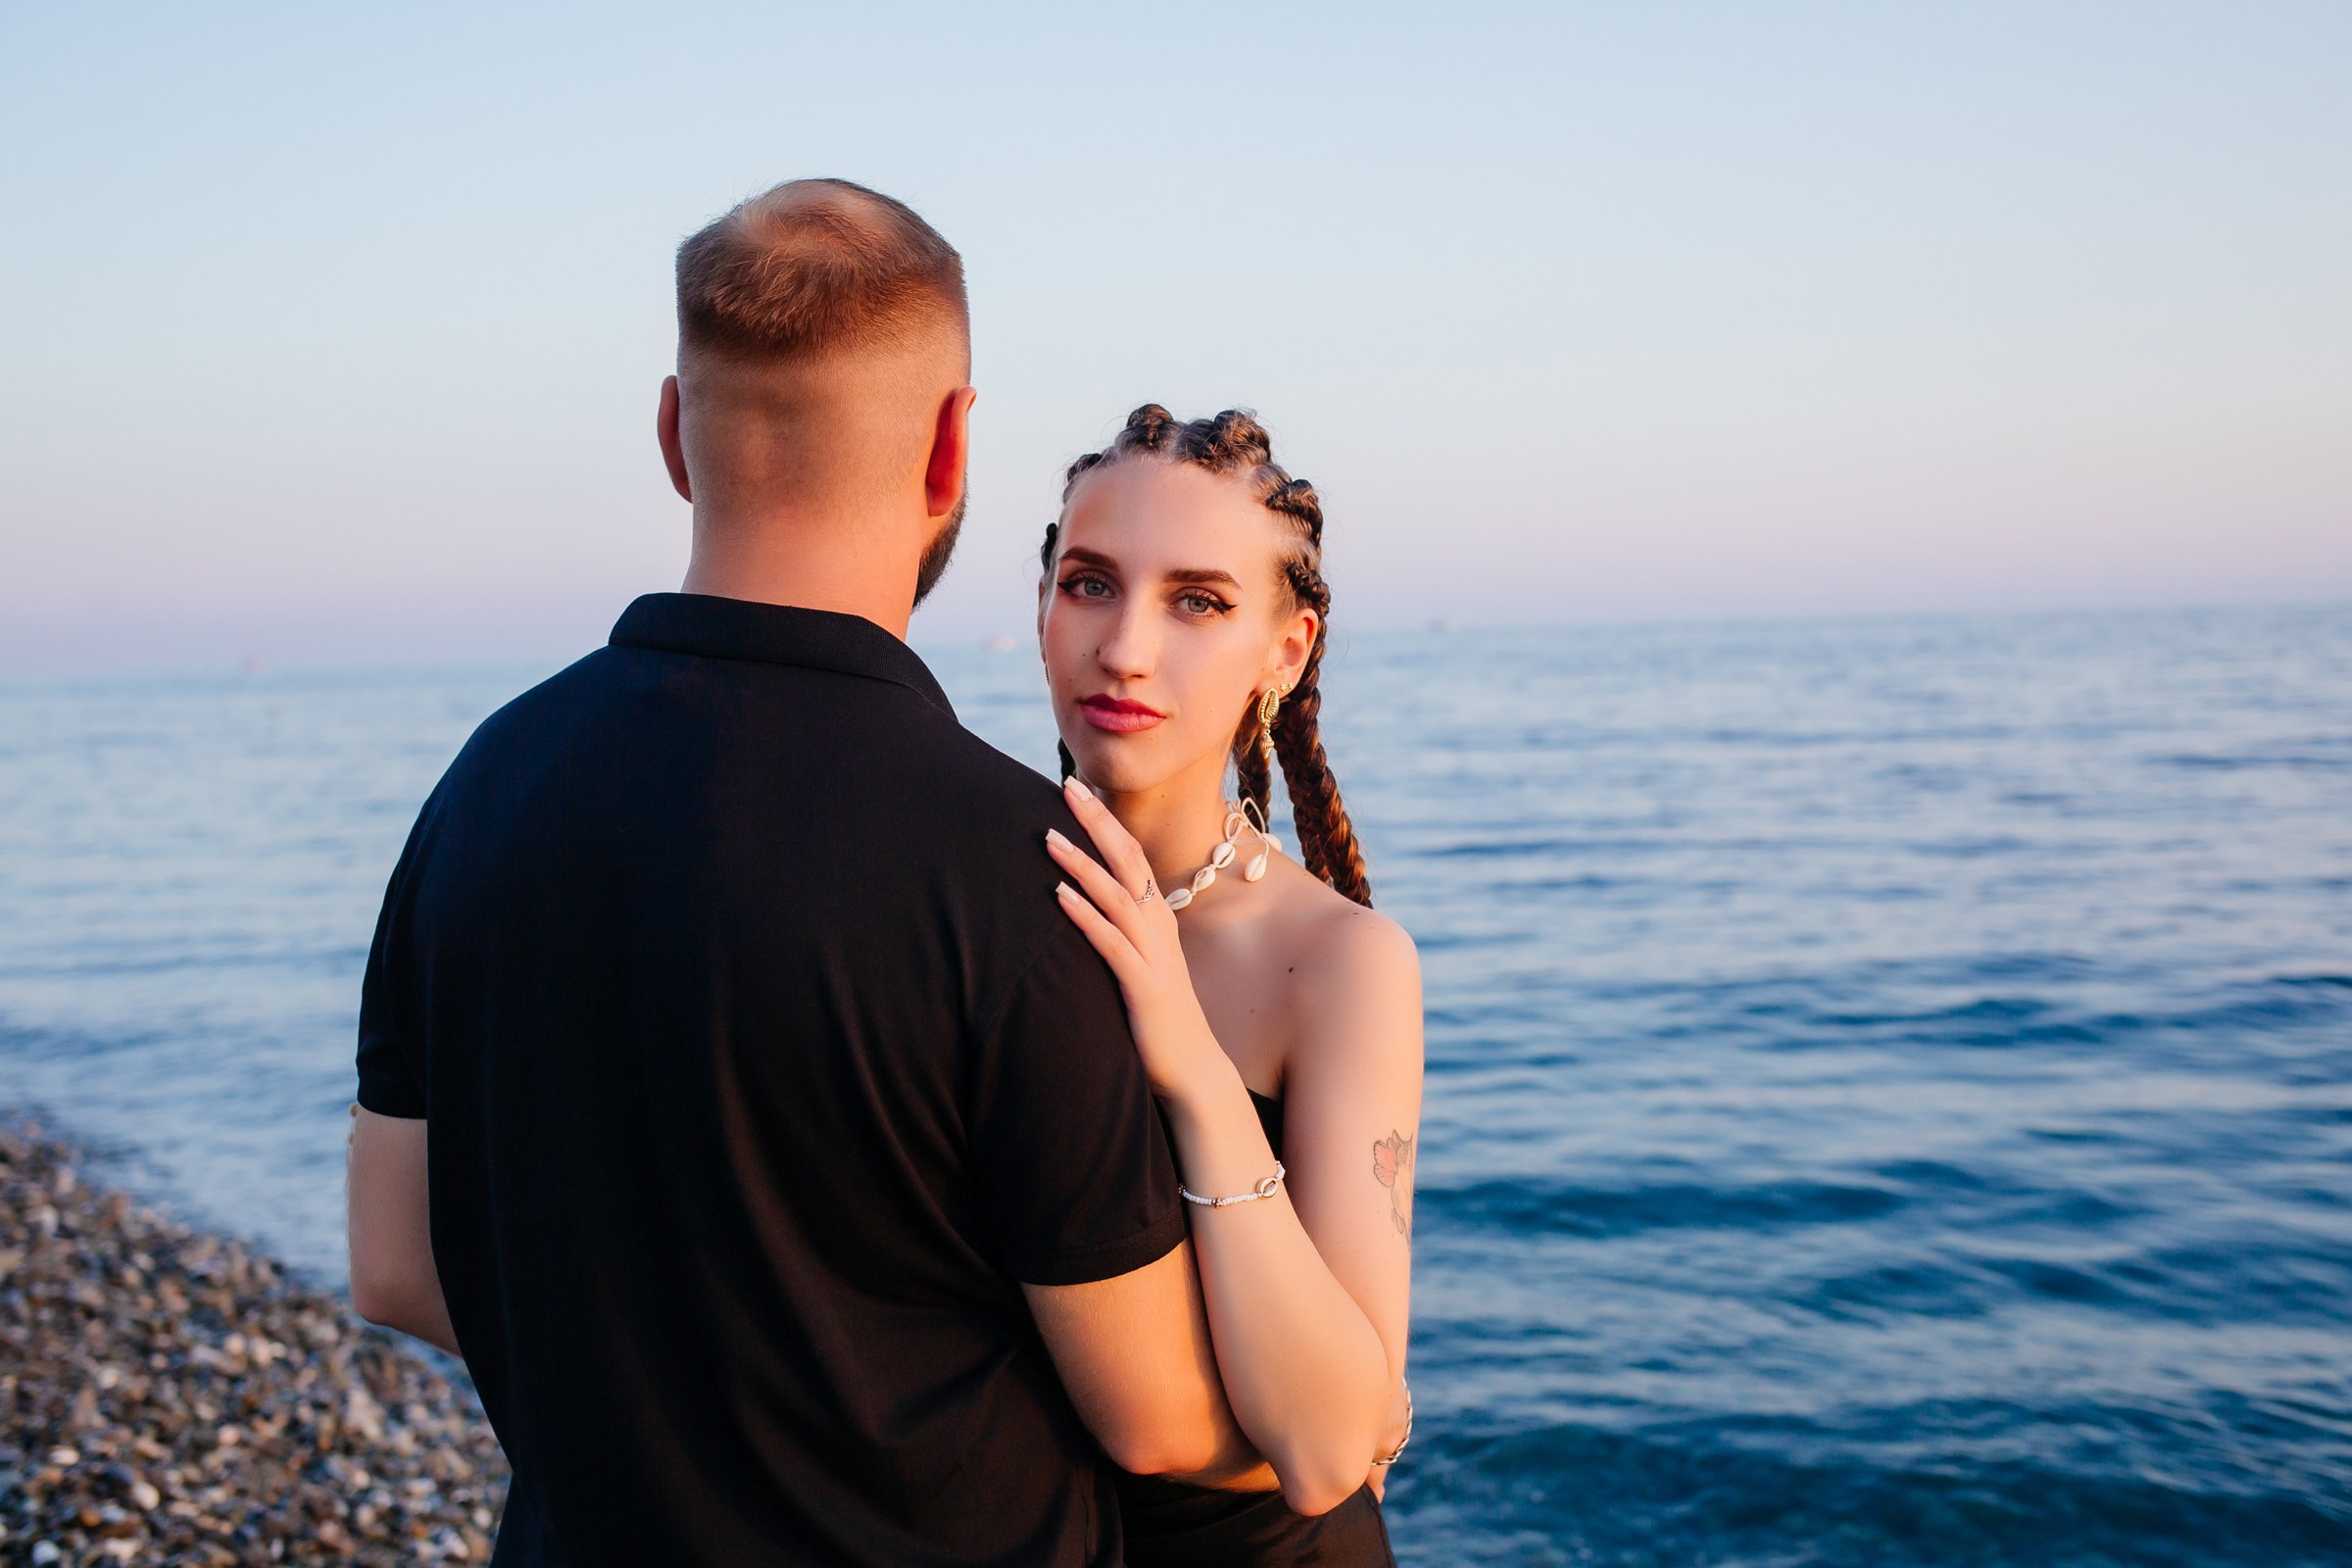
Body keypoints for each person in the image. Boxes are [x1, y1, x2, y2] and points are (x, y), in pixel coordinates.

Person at [343, 181, 1261, 1566]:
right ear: (953, 448)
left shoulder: (482, 792)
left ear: (672, 433)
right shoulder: (1030, 869)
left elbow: (399, 1267)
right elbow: (1159, 1421)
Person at [1036, 407, 1425, 1566]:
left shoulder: (1338, 960)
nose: (1127, 647)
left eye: (1198, 601)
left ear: (1287, 649)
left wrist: (1196, 1071)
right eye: (1090, 583)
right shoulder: (968, 893)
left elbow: (1330, 1450)